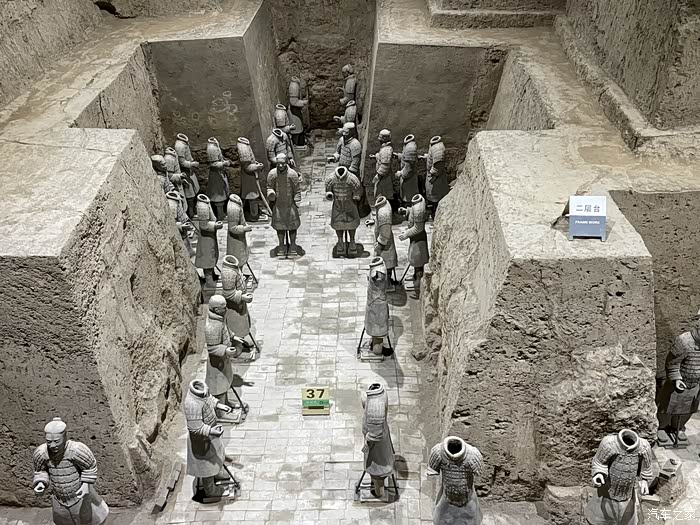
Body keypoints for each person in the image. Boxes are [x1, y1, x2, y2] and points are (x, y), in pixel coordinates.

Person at [32, 417, 109, 525]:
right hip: (59, 498)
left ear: (64, 437)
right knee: (63, 521)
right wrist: (41, 482)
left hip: (79, 495)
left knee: (87, 520)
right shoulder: (42, 453)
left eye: (57, 441)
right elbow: (41, 471)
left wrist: (85, 485)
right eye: (49, 442)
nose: (52, 445)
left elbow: (89, 467)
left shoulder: (76, 450)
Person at [267, 153, 302, 256]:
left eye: (283, 163)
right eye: (278, 163)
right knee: (280, 227)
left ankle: (293, 245)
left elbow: (297, 189)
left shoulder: (292, 174)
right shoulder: (272, 174)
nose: (281, 166)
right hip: (278, 205)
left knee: (293, 226)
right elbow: (269, 187)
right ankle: (281, 245)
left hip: (290, 205)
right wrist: (271, 193)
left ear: (286, 162)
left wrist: (297, 199)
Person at [325, 166, 362, 257]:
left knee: (352, 225)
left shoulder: (352, 179)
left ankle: (352, 241)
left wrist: (356, 196)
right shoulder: (331, 179)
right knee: (338, 225)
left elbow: (357, 190)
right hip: (337, 206)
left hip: (350, 205)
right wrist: (329, 195)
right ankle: (340, 241)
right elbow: (328, 191)